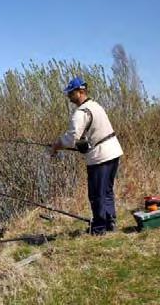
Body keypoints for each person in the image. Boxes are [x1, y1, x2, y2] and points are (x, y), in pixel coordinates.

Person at [51, 76, 123, 235]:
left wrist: (56, 146)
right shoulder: (96, 105)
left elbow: (71, 139)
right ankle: (110, 222)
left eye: (71, 93)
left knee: (96, 193)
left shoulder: (81, 112)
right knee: (107, 190)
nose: (68, 96)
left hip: (101, 156)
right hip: (114, 151)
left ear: (80, 91)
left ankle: (98, 229)